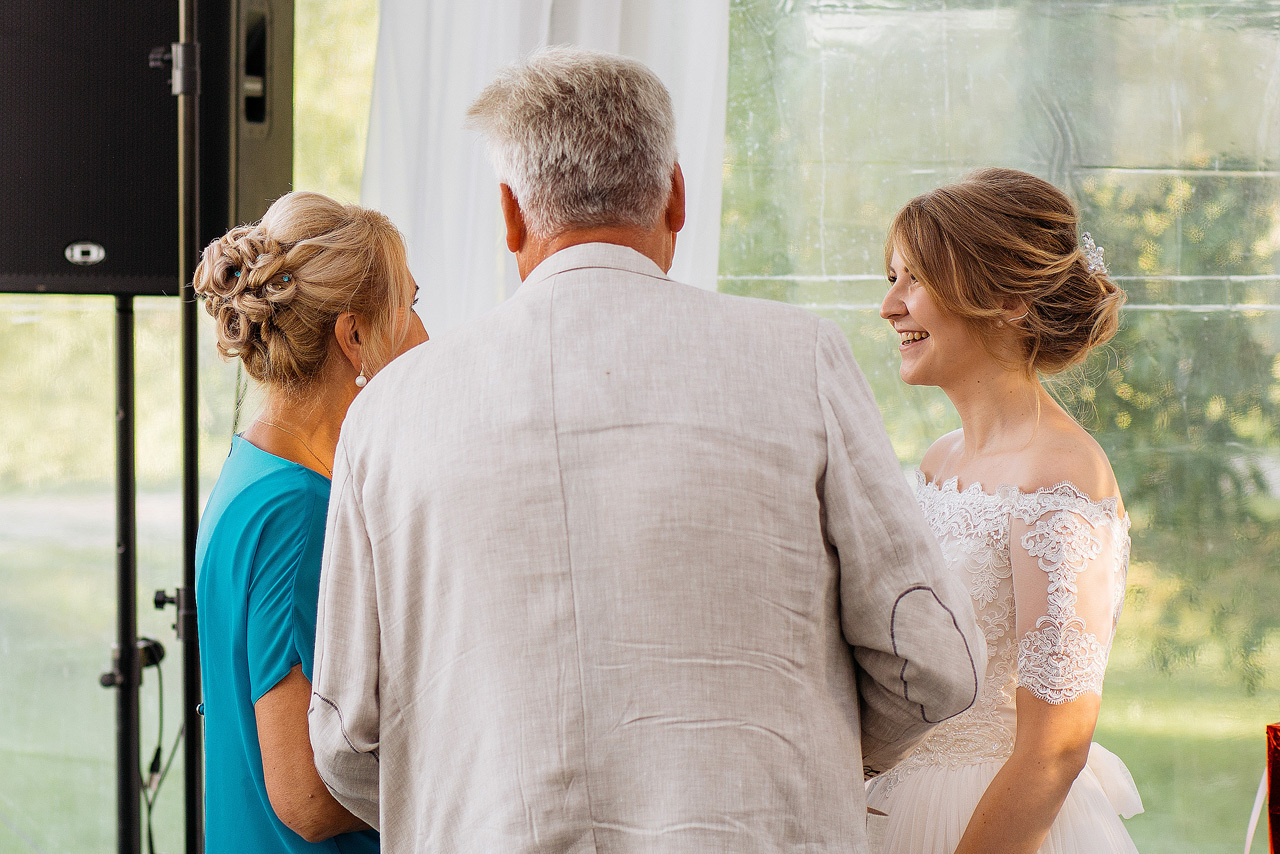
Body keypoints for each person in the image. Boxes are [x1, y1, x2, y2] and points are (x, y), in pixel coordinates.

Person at [308, 46, 983, 853]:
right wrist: (799, 750)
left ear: (512, 216)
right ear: (677, 197)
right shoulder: (798, 358)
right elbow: (934, 663)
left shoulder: (388, 410)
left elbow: (348, 739)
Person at [866, 168, 1144, 852]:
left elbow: (1055, 747)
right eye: (891, 278)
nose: (889, 306)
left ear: (1009, 301)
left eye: (915, 281)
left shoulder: (1063, 475)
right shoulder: (938, 461)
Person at [192, 191, 427, 853]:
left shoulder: (255, 468)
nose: (425, 336)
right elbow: (307, 799)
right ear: (353, 337)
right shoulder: (299, 511)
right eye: (409, 306)